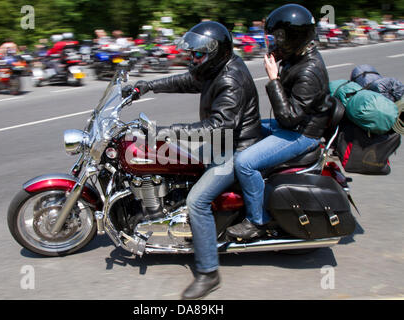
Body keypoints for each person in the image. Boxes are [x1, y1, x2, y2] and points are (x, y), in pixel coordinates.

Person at [127, 21, 262, 299]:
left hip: (232, 148)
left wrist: (166, 132)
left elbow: (220, 125)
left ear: (215, 52)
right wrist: (147, 86)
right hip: (220, 144)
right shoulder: (215, 69)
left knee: (196, 202)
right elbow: (187, 80)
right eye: (192, 54)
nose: (193, 59)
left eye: (198, 54)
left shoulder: (230, 79)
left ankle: (209, 273)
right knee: (168, 164)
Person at [226, 4, 333, 240]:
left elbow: (287, 118)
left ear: (294, 38)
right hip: (295, 126)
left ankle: (257, 220)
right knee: (240, 129)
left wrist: (273, 79)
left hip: (303, 134)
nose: (274, 43)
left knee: (245, 162)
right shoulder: (297, 57)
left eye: (279, 38)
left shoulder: (309, 71)